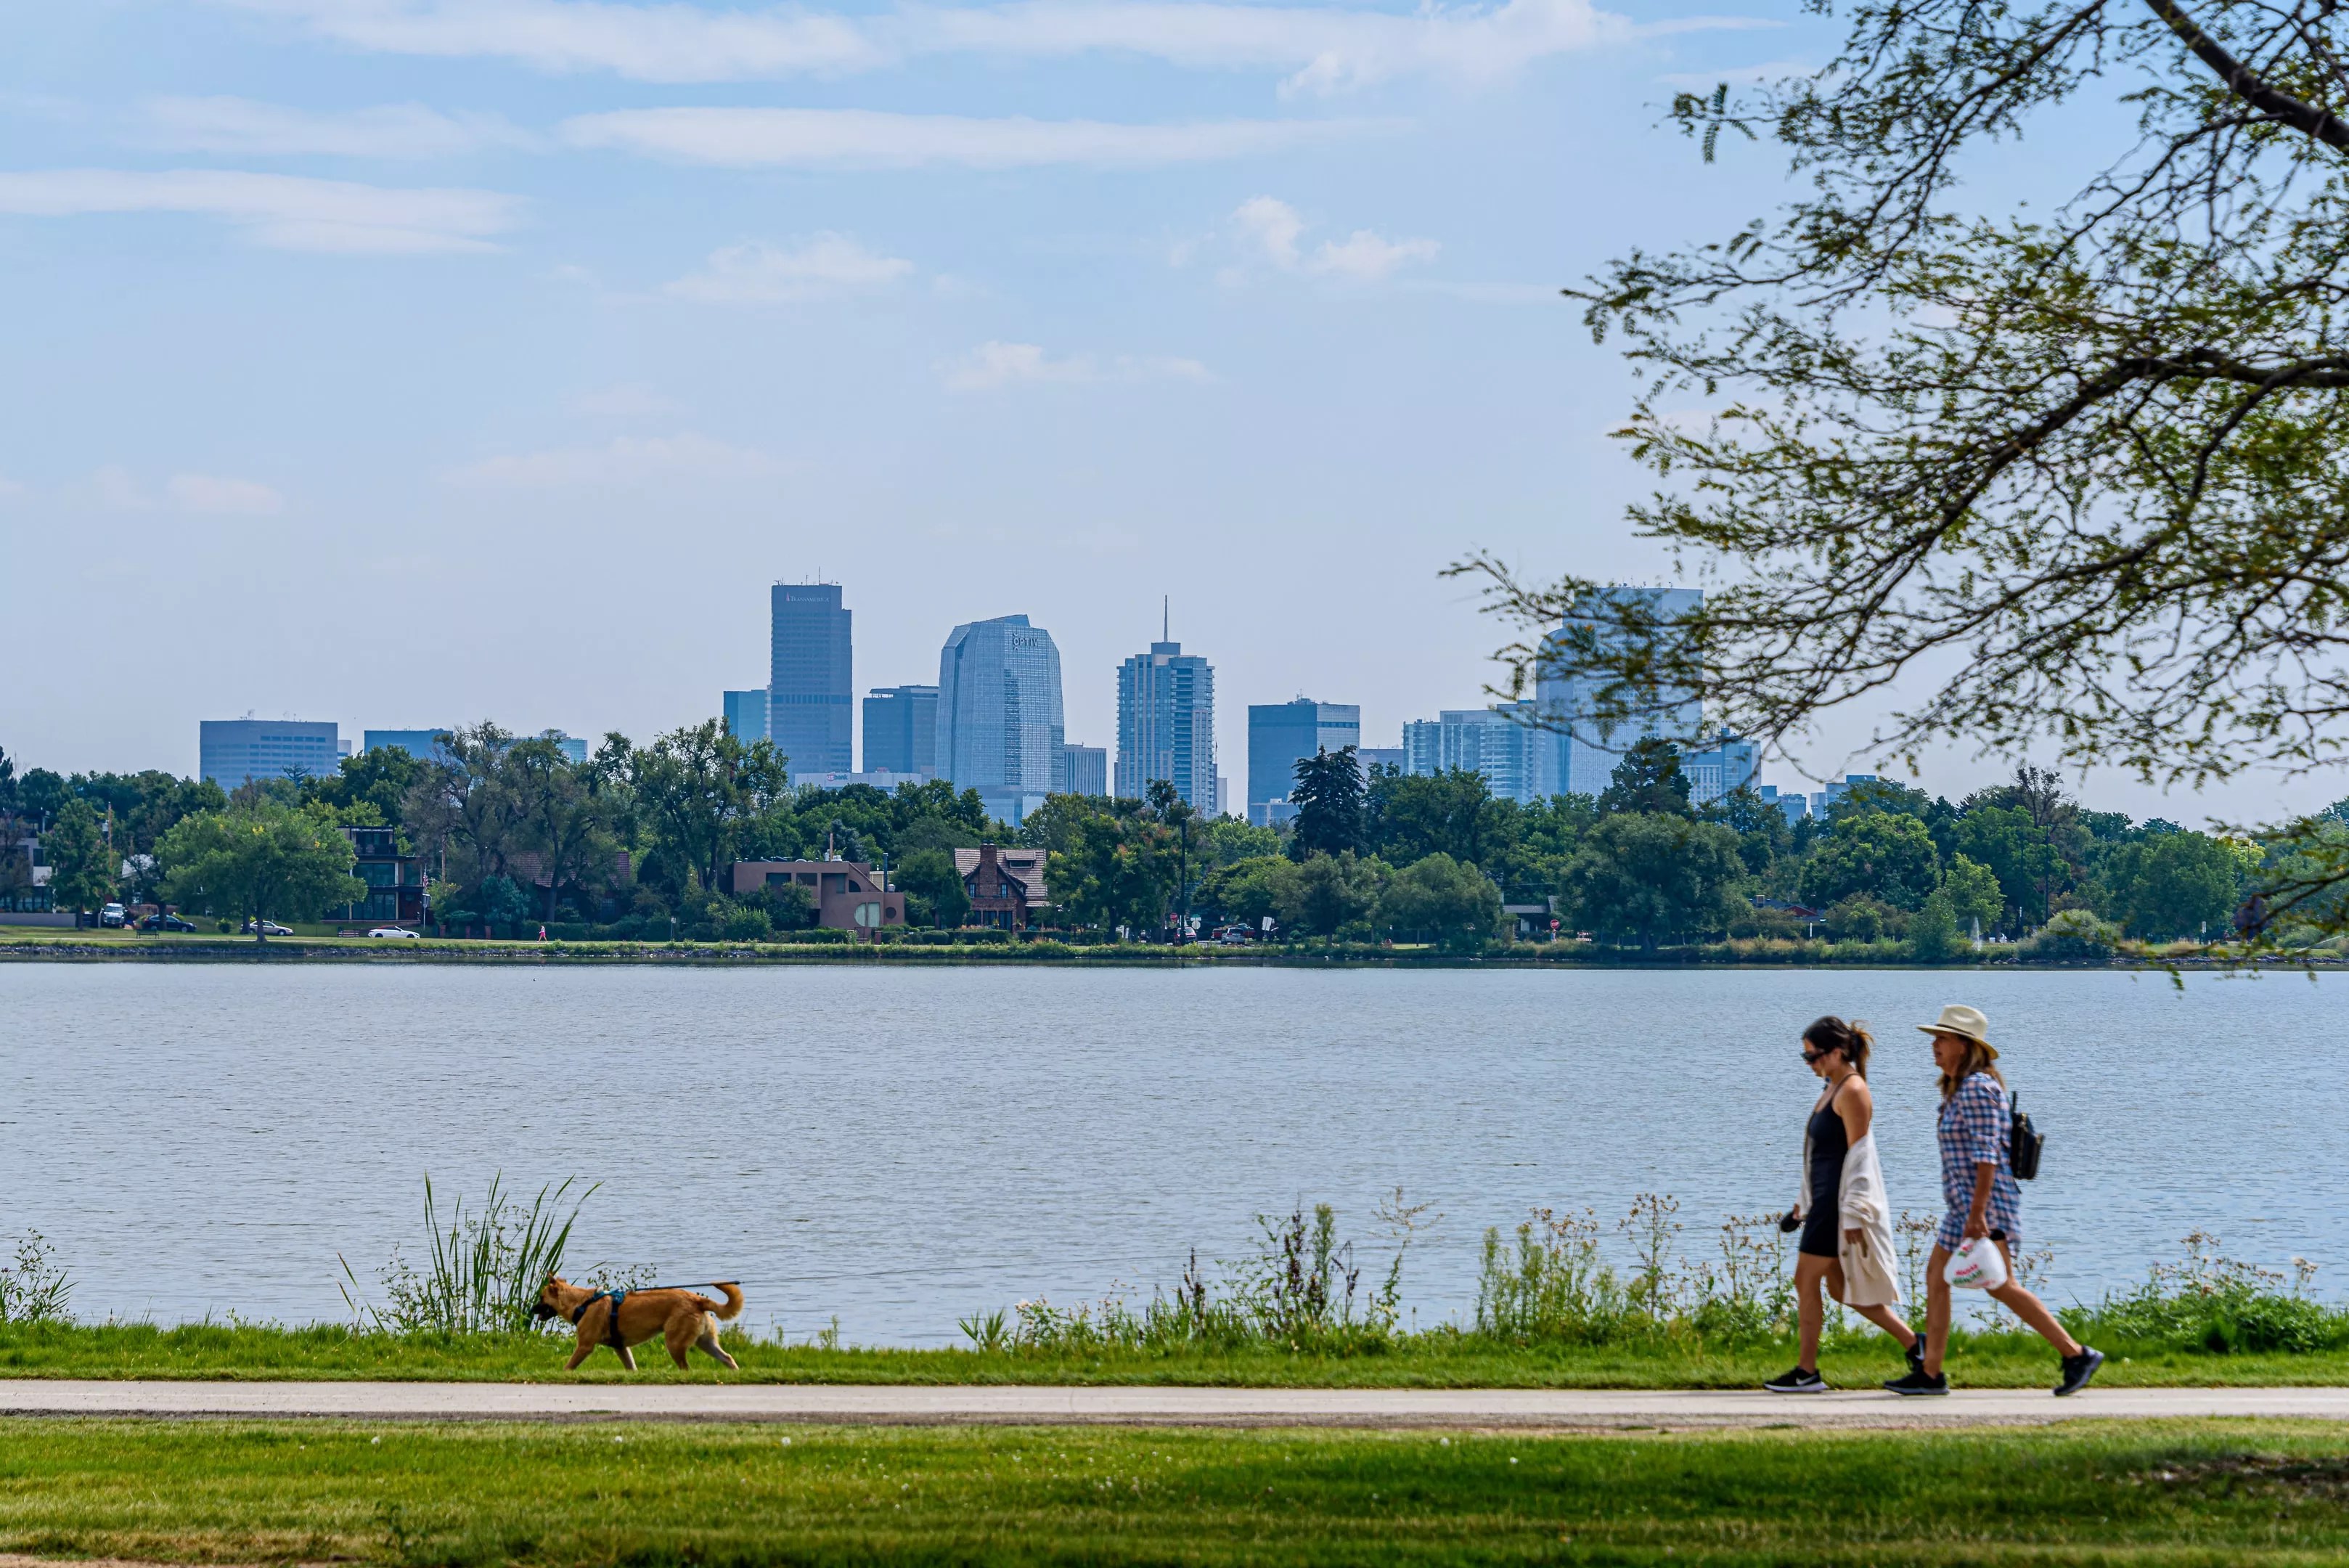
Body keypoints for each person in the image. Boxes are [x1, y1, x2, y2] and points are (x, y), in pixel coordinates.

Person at [1885, 1004, 2104, 1397]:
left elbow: (1988, 1155)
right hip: (1964, 1207)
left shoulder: (1980, 1090)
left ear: (1965, 1046)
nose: (1934, 1045)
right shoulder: (1956, 1090)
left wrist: (1978, 1214)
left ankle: (2076, 1354)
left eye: (1942, 1038)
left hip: (1987, 1207)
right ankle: (1930, 1374)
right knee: (1937, 1279)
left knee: (2001, 1285)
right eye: (1935, 1038)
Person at [1765, 1016, 1923, 1392]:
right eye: (1804, 1057)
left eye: (1814, 1056)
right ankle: (1918, 1346)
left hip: (1837, 1210)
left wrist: (1851, 1213)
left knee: (1805, 1280)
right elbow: (1821, 1157)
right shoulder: (1832, 1087)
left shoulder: (1852, 1090)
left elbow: (1860, 1158)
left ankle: (1807, 1372)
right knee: (1840, 1291)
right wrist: (1803, 1203)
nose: (1809, 1063)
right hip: (1822, 1206)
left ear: (1837, 1052)